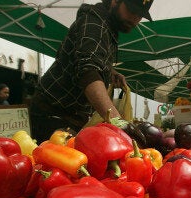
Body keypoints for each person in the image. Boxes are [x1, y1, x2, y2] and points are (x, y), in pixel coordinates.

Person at [29, 0, 153, 142]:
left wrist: (109, 72)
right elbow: (88, 70)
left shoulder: (108, 25)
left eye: (140, 14)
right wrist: (118, 123)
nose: (135, 19)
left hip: (71, 116)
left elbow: (88, 57)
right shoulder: (95, 24)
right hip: (53, 114)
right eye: (132, 10)